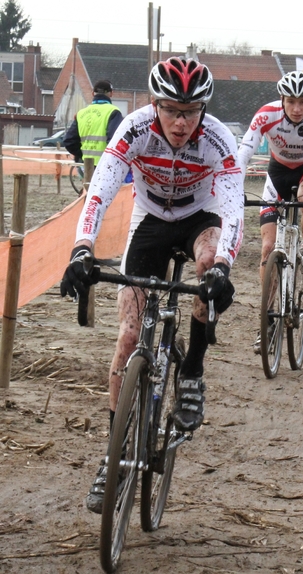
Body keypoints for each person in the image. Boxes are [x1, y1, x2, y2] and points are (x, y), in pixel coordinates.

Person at [60, 57, 244, 514]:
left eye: (191, 111)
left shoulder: (218, 137)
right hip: (149, 221)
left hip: (199, 220)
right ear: (154, 104)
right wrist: (82, 247)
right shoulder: (136, 129)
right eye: (171, 109)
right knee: (127, 335)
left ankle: (193, 372)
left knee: (206, 267)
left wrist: (223, 265)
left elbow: (233, 206)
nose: (181, 122)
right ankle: (113, 455)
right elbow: (100, 189)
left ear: (203, 109)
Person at [238, 71, 303, 353]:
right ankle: (268, 320)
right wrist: (234, 185)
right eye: (291, 101)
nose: (297, 109)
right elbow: (245, 151)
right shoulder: (266, 115)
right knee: (267, 248)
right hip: (277, 174)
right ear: (282, 99)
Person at [63, 79, 123, 166]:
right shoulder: (113, 112)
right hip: (105, 165)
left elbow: (69, 141)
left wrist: (82, 155)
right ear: (111, 93)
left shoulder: (81, 113)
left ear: (92, 93)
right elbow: (115, 141)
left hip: (86, 165)